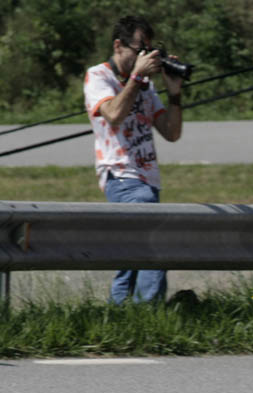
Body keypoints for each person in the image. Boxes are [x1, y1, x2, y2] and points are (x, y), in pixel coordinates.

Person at [83, 15, 184, 304]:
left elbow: (171, 132)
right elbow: (113, 114)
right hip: (120, 176)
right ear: (118, 46)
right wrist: (137, 78)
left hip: (148, 178)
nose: (145, 58)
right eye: (140, 50)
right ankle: (148, 310)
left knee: (132, 256)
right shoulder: (99, 76)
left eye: (149, 51)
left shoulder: (146, 86)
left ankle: (120, 315)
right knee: (154, 240)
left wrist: (174, 94)